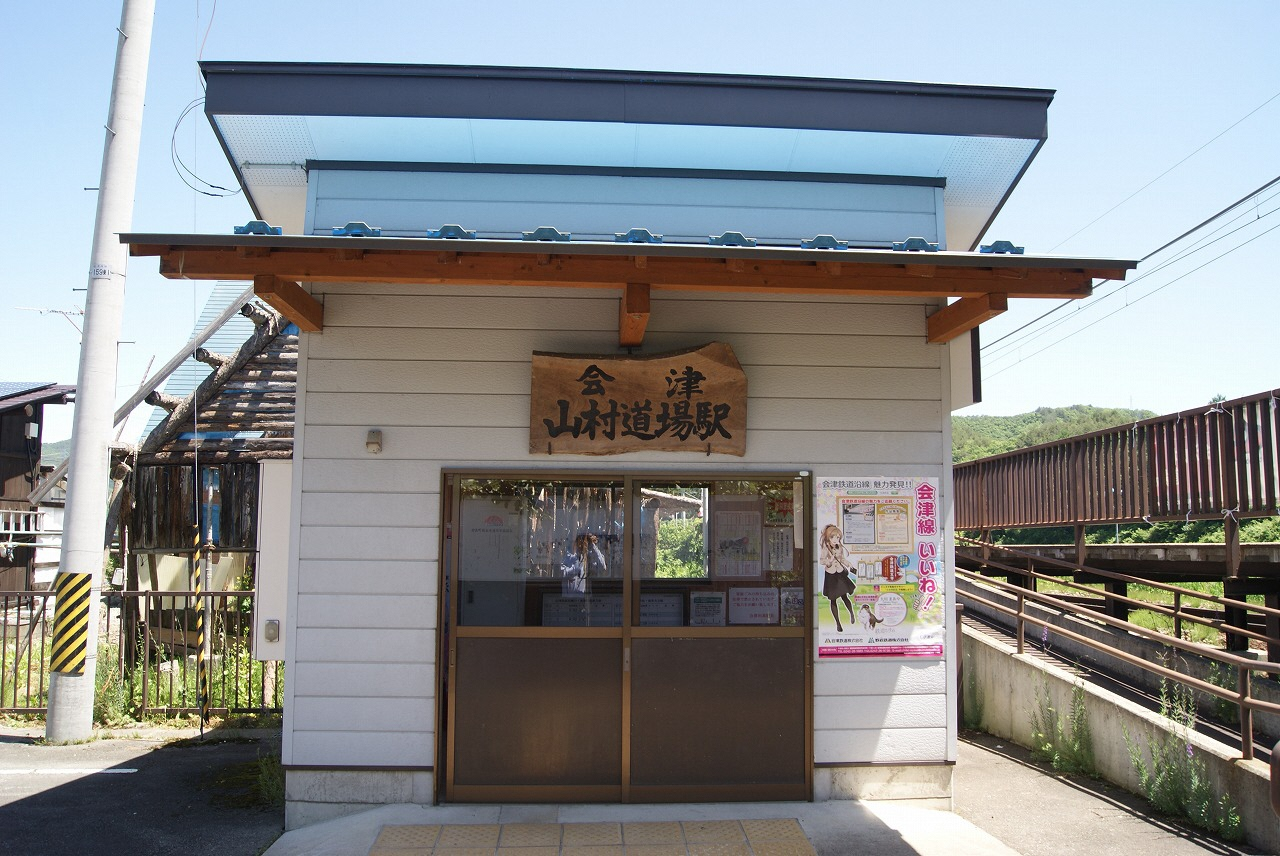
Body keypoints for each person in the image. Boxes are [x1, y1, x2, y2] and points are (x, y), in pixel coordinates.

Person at [819, 524, 857, 632]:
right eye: (833, 537)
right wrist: (829, 561)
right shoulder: (825, 547)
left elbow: (842, 559)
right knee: (833, 599)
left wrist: (849, 564)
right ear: (828, 537)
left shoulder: (839, 547)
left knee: (844, 596)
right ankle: (838, 624)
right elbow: (822, 560)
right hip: (830, 574)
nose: (836, 540)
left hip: (840, 572)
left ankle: (851, 614)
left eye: (838, 537)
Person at [561, 531, 607, 597]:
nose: (582, 544)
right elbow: (562, 573)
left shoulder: (589, 557)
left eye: (584, 541)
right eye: (580, 540)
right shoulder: (569, 556)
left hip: (585, 599)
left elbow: (602, 567)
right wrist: (574, 569)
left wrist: (593, 546)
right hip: (569, 599)